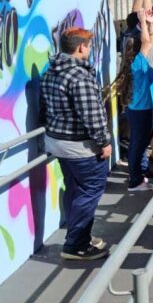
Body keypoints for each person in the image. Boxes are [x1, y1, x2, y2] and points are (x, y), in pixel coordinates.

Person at [42, 28, 111, 260]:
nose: (89, 50)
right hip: (80, 147)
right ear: (81, 47)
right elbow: (92, 116)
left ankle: (79, 235)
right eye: (89, 46)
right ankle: (76, 245)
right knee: (90, 190)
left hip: (57, 142)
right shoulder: (79, 77)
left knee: (74, 189)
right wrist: (104, 142)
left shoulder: (51, 71)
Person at [116, 9, 153, 192]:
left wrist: (149, 24)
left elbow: (148, 39)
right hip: (142, 110)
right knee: (138, 145)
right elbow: (147, 42)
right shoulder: (138, 63)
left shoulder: (135, 62)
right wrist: (142, 21)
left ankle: (138, 177)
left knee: (139, 144)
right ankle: (135, 181)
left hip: (139, 109)